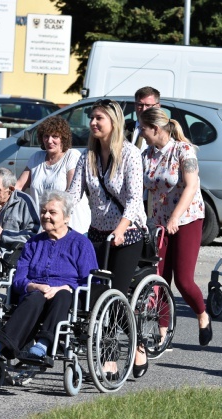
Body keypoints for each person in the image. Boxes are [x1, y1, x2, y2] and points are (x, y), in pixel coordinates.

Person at [0, 190, 98, 362]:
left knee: (62, 295)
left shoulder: (81, 243)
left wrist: (66, 287)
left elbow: (91, 280)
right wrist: (34, 286)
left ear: (66, 217)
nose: (46, 216)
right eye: (43, 211)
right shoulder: (33, 243)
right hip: (35, 293)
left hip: (68, 296)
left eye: (52, 212)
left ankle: (43, 345)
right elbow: (19, 278)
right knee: (35, 297)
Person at [140, 107, 212, 352]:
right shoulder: (147, 154)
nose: (141, 133)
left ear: (156, 129)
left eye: (143, 129)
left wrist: (175, 218)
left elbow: (191, 186)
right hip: (159, 221)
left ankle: (202, 315)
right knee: (158, 279)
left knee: (183, 279)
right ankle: (163, 333)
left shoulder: (184, 150)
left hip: (187, 219)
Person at [67, 98, 147, 297]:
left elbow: (135, 199)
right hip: (97, 233)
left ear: (114, 122)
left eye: (99, 118)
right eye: (92, 118)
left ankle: (122, 325)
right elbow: (73, 194)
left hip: (127, 234)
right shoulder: (87, 156)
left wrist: (120, 230)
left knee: (114, 293)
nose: (93, 122)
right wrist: (56, 216)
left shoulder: (131, 154)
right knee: (89, 292)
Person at [16, 116, 91, 234]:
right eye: (46, 136)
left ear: (63, 138)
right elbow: (18, 187)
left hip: (72, 229)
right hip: (43, 230)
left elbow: (71, 193)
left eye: (55, 136)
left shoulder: (72, 156)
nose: (49, 140)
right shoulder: (36, 157)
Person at [0, 167, 40, 251]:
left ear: (11, 189)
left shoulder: (24, 202)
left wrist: (2, 235)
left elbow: (33, 234)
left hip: (13, 257)